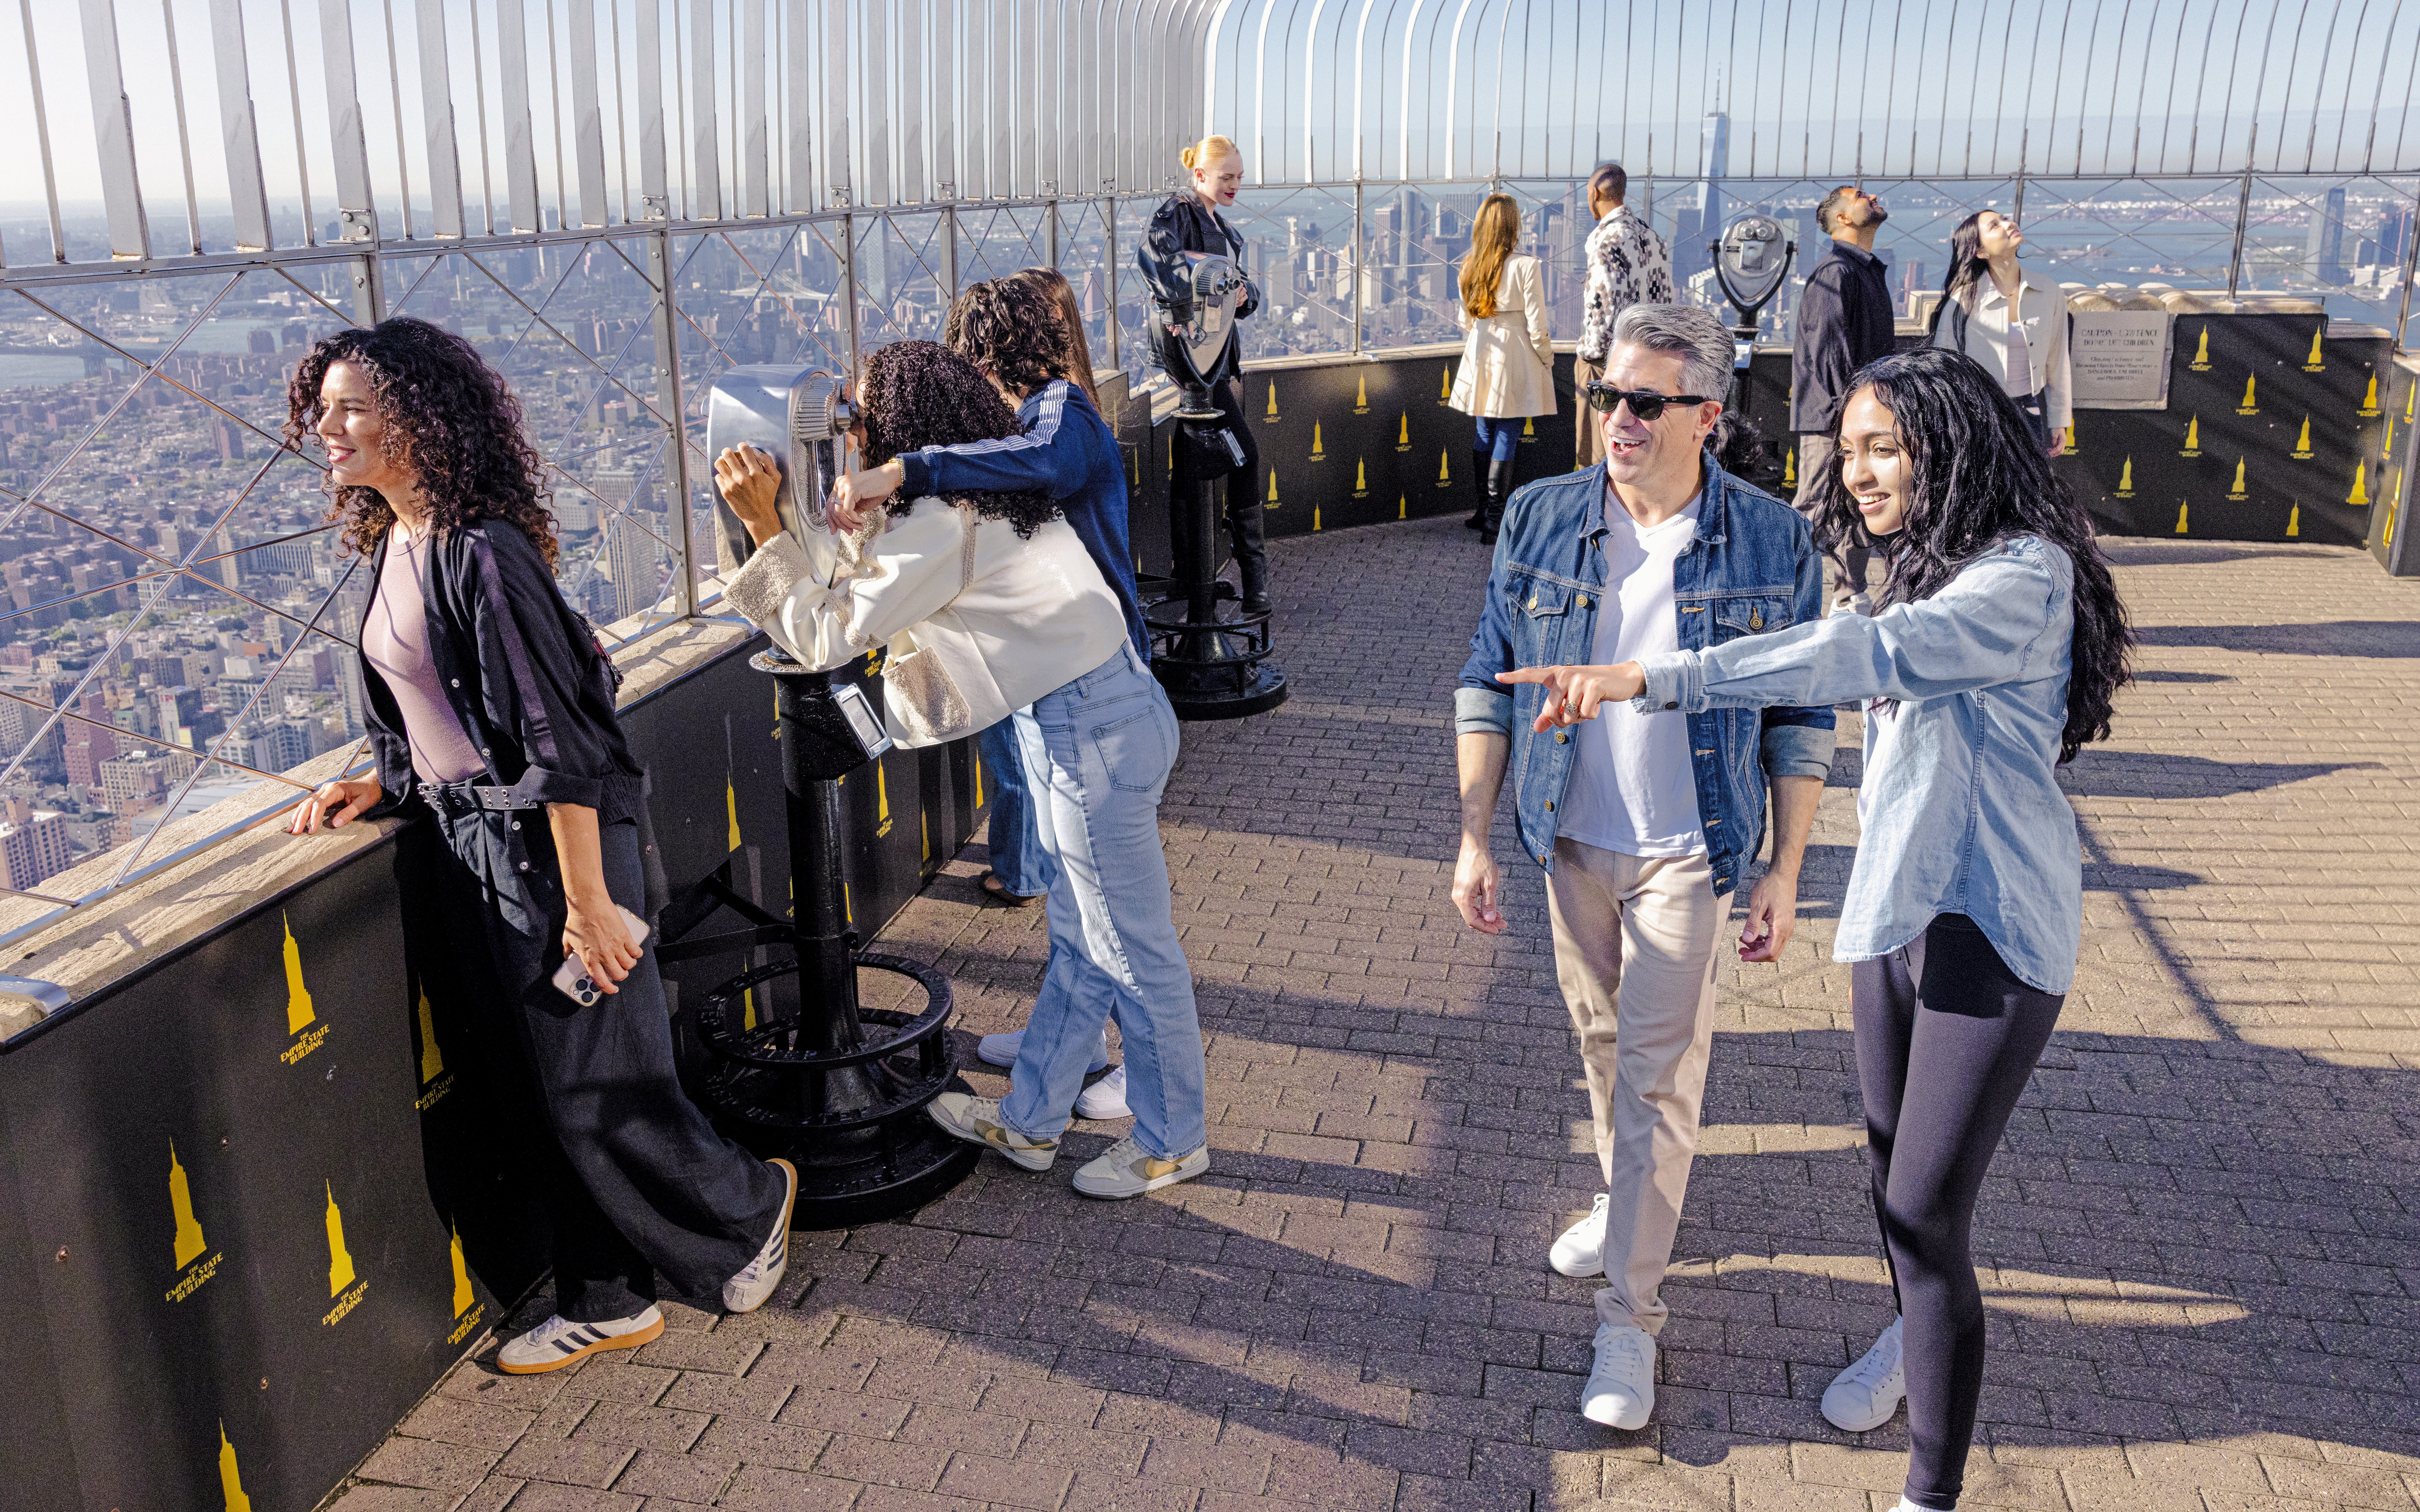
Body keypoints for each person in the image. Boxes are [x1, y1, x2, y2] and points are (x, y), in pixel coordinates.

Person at [1502, 347, 2134, 1512]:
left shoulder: (2021, 578)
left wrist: (1655, 678)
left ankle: (1927, 1491)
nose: (1855, 473)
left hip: (1989, 931)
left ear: (1949, 446)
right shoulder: (1917, 566)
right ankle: (1912, 1332)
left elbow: (1859, 657)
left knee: (1923, 1210)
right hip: (1894, 914)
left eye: (1880, 447)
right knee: (1889, 1176)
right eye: (1844, 451)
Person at [283, 318, 797, 1372]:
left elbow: (563, 748)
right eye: (322, 407)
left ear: (420, 420)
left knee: (598, 1080)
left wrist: (589, 901)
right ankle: (609, 1294)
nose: (327, 428)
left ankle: (749, 1207)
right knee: (544, 1084)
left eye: (353, 408)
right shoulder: (396, 542)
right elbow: (431, 707)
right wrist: (379, 781)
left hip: (550, 859)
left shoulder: (483, 553)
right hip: (473, 847)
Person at [1451, 303, 1834, 1432]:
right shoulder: (1538, 516)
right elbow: (1485, 677)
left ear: (1705, 418)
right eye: (1604, 392)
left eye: (1643, 401)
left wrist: (1781, 865)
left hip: (1687, 853)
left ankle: (1629, 1319)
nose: (1614, 417)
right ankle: (1622, 1202)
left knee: (1659, 1080)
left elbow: (1799, 712)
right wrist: (1473, 834)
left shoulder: (1772, 542)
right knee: (1600, 1042)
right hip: (1566, 839)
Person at [804, 336, 1209, 1197]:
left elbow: (826, 632)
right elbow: (874, 569)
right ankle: (1029, 1122)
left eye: (862, 411)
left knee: (1131, 952)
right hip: (1108, 713)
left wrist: (773, 521)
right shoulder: (989, 495)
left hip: (1089, 736)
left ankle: (1174, 1139)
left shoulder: (943, 520)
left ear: (899, 423)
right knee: (1085, 947)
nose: (856, 424)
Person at [1139, 133, 1271, 615]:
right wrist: (1180, 310)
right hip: (1195, 366)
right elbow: (1155, 258)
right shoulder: (1178, 213)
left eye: (1239, 177)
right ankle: (1251, 580)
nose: (1235, 185)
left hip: (1210, 362)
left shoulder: (1221, 226)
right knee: (1244, 455)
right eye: (1226, 177)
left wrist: (1244, 295)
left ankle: (1194, 574)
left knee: (1193, 468)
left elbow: (1241, 287)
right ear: (1200, 176)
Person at [1792, 183, 1896, 615]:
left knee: (1857, 503)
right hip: (1832, 419)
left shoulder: (1864, 271)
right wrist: (1847, 421)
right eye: (1857, 196)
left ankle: (1847, 594)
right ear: (1842, 220)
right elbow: (1827, 356)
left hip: (1853, 418)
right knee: (1813, 509)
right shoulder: (1836, 274)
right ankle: (1771, 594)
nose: (1871, 196)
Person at [1448, 193, 1556, 545]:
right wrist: (1546, 359)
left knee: (1483, 430)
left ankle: (1483, 511)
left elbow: (1465, 321)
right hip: (1514, 351)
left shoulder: (1469, 266)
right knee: (1507, 431)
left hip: (1481, 347)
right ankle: (1496, 520)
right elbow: (1538, 324)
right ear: (1514, 224)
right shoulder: (1527, 266)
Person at [1929, 211, 2071, 456]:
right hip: (1978, 417)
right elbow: (1943, 371)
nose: (2009, 224)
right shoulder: (1961, 302)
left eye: (2005, 219)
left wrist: (2059, 420)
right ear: (1981, 251)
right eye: (1995, 225)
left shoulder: (2048, 291)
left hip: (2030, 413)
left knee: (2033, 491)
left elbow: (2057, 360)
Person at [1575, 162, 1674, 471]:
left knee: (1597, 451)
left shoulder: (1607, 241)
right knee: (1637, 452)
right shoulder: (1651, 237)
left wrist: (1591, 356)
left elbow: (1603, 307)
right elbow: (1666, 300)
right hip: (1651, 361)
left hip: (1609, 363)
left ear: (1594, 194)